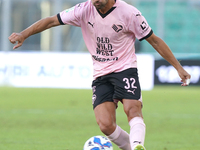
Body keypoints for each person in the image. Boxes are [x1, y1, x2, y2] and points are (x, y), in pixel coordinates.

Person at [8, 0, 191, 149]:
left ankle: (137, 145)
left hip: (124, 68)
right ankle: (131, 147)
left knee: (132, 109)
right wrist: (24, 34)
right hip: (101, 73)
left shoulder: (130, 13)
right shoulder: (83, 9)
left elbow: (154, 40)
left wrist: (178, 67)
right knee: (105, 124)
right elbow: (51, 20)